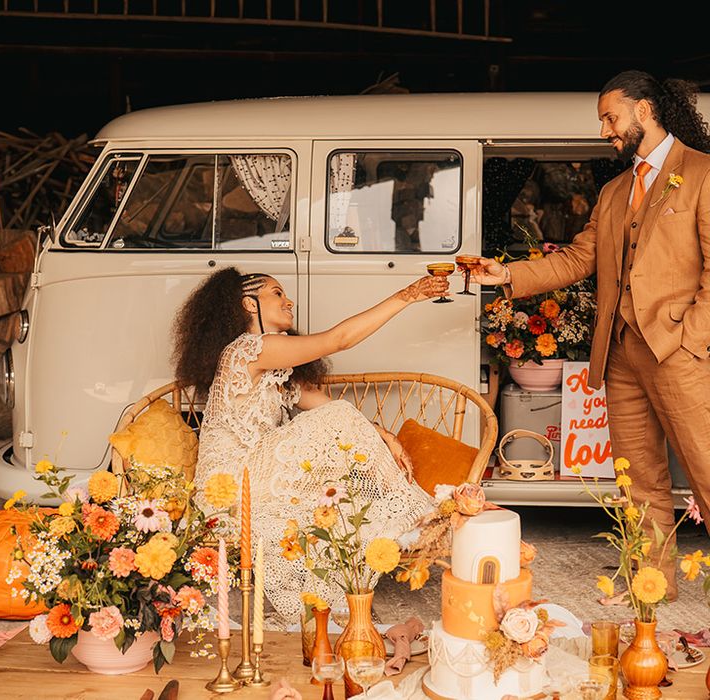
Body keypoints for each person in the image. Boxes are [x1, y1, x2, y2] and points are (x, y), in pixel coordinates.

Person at [471, 70, 710, 602]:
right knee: (638, 482)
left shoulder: (701, 173)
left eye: (610, 117)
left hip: (678, 353)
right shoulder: (614, 190)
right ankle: (653, 587)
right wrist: (507, 274)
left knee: (706, 470)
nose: (606, 130)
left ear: (644, 111)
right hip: (621, 353)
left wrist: (691, 339)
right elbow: (581, 258)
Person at [171, 267, 446, 621]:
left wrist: (386, 436)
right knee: (341, 423)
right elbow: (339, 340)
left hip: (255, 481)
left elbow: (330, 409)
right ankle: (419, 517)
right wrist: (407, 296)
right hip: (228, 491)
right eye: (276, 293)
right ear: (248, 304)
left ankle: (399, 524)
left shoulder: (275, 369)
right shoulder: (247, 350)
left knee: (338, 486)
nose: (289, 302)